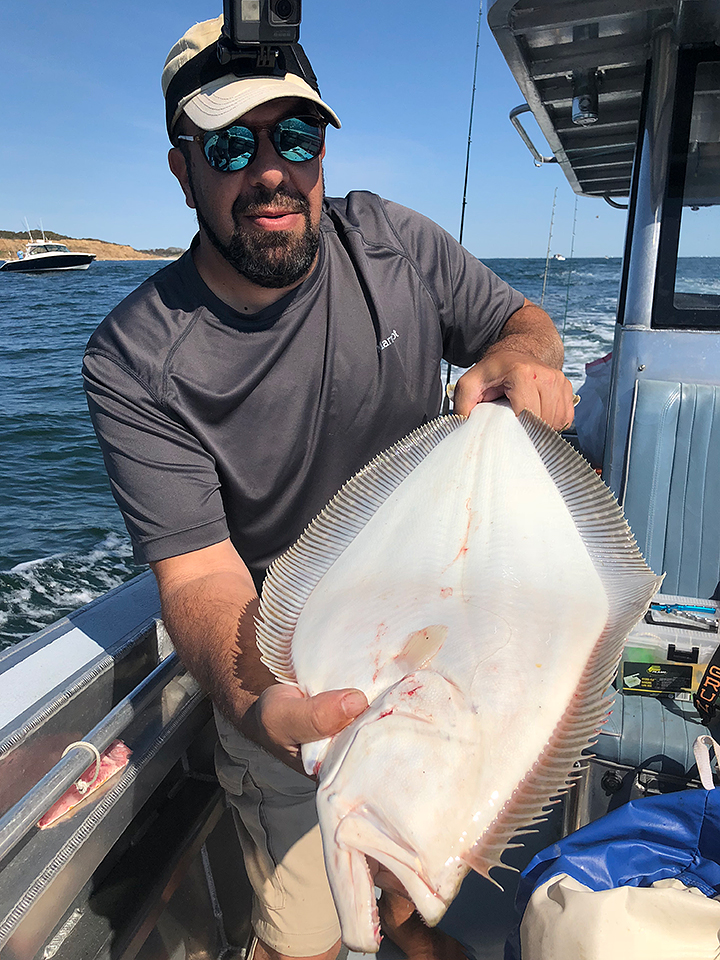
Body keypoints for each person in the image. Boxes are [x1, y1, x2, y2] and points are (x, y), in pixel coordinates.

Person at [83, 14, 575, 960]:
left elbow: (522, 322)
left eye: (295, 136)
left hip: (453, 636)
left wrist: (521, 361)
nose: (272, 170)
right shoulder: (137, 358)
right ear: (183, 169)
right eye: (231, 144)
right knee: (309, 933)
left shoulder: (392, 242)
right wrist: (265, 706)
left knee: (421, 882)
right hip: (289, 670)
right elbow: (198, 580)